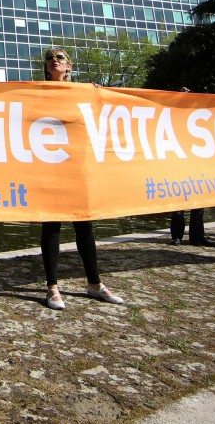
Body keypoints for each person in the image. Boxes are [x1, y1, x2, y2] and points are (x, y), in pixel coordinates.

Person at [40, 48, 124, 309]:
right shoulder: (35, 92)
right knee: (51, 225)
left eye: (60, 57)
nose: (55, 59)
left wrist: (99, 95)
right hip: (48, 164)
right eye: (50, 57)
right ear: (46, 67)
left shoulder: (85, 91)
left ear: (69, 66)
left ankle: (95, 284)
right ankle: (52, 287)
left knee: (84, 226)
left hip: (77, 166)